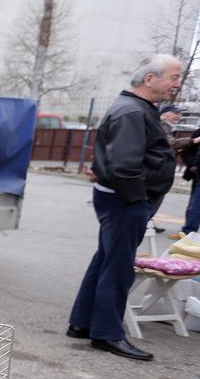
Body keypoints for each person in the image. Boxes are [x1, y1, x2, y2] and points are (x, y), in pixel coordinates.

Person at [67, 54, 182, 362]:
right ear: (150, 79)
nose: (177, 83)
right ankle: (107, 333)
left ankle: (82, 322)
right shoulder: (132, 111)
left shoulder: (137, 108)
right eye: (173, 77)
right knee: (118, 267)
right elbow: (123, 166)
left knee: (106, 259)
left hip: (120, 199)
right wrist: (138, 201)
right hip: (124, 201)